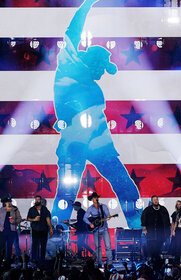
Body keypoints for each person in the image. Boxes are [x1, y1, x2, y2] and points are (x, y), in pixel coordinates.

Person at [51, 0, 141, 229]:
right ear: (92, 62)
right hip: (75, 140)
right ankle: (56, 234)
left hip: (100, 139)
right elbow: (72, 32)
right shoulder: (70, 64)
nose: (103, 72)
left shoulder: (90, 79)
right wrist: (87, 5)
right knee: (67, 191)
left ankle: (138, 228)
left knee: (125, 185)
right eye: (102, 67)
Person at [84, 192, 113, 265]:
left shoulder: (103, 206)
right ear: (92, 199)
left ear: (97, 198)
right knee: (97, 247)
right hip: (96, 230)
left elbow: (108, 216)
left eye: (96, 197)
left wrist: (108, 217)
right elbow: (84, 218)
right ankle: (99, 262)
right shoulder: (90, 208)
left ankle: (109, 263)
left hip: (104, 229)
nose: (95, 199)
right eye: (94, 198)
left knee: (108, 246)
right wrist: (90, 223)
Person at [0, 194, 22, 262]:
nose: (9, 203)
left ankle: (8, 261)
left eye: (10, 202)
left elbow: (19, 219)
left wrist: (14, 221)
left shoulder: (15, 209)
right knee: (0, 246)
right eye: (7, 202)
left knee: (9, 247)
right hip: (2, 231)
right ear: (5, 203)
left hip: (11, 231)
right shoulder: (1, 209)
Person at [27, 195, 53, 264]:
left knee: (43, 245)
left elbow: (48, 219)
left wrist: (50, 228)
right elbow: (28, 218)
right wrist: (34, 219)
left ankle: (42, 260)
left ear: (40, 201)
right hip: (35, 230)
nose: (37, 201)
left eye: (38, 199)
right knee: (35, 245)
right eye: (36, 200)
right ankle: (34, 259)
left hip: (44, 230)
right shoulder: (31, 209)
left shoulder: (45, 209)